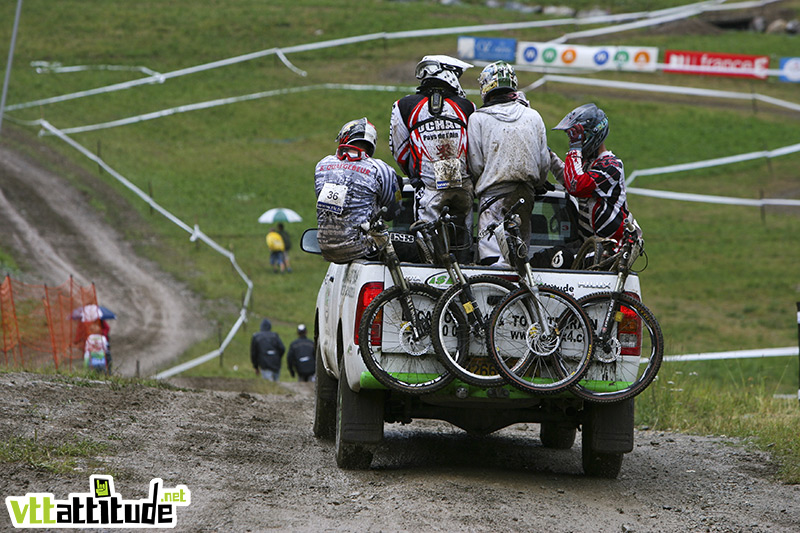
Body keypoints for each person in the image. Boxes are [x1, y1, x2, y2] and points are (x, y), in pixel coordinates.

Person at [390, 55, 476, 263]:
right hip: (464, 185)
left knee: (426, 245)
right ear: (448, 73)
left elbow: (399, 151)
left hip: (428, 188)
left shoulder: (403, 105)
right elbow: (475, 151)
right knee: (464, 241)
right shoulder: (468, 106)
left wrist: (416, 173)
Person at [467, 60, 552, 266]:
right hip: (526, 194)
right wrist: (538, 183)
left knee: (492, 258)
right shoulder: (533, 116)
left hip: (493, 197)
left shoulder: (478, 119)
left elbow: (475, 164)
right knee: (517, 257)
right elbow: (543, 162)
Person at [314, 117, 402, 264]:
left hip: (326, 249)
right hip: (364, 248)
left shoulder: (322, 165)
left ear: (344, 138)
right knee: (417, 246)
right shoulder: (380, 169)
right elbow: (392, 212)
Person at [551, 103, 639, 247]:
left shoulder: (611, 165)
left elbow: (576, 186)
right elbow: (569, 179)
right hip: (588, 245)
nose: (573, 140)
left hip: (611, 248)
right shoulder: (589, 164)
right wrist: (547, 155)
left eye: (578, 136)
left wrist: (575, 148)